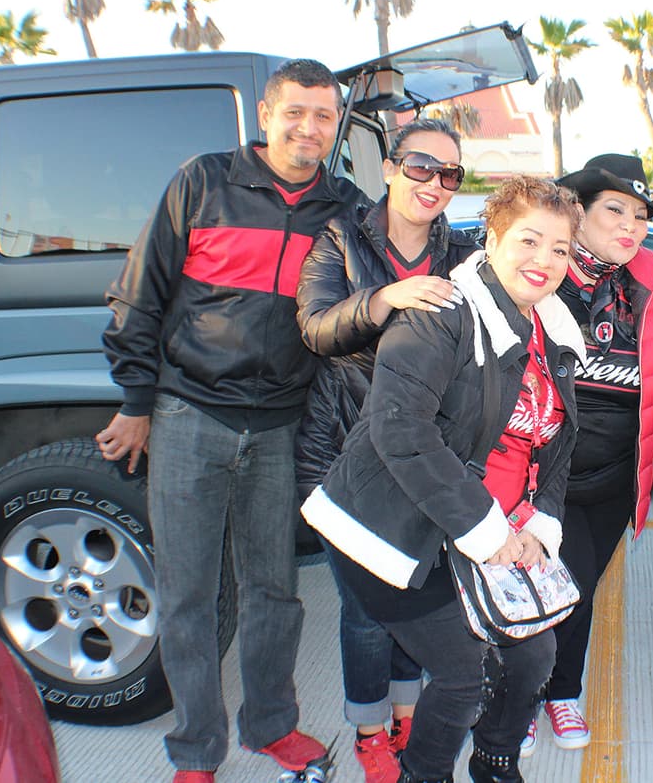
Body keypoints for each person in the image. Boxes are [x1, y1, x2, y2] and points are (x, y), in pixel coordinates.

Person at [96, 59, 365, 783]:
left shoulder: (344, 208)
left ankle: (270, 726)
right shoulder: (202, 182)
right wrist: (135, 401)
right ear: (265, 116)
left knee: (273, 589)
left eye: (323, 114)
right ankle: (196, 751)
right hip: (189, 413)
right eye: (296, 112)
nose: (309, 127)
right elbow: (139, 293)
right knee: (188, 593)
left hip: (283, 425)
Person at [300, 177, 585, 783]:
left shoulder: (553, 328)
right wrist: (486, 530)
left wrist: (539, 523)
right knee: (463, 673)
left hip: (478, 529)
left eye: (560, 248)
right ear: (494, 235)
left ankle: (494, 761)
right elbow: (400, 431)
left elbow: (557, 444)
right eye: (529, 240)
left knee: (535, 653)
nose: (544, 260)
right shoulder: (443, 313)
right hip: (390, 528)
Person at [294, 117, 478, 782]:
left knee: (416, 590)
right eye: (421, 166)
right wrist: (384, 298)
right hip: (346, 455)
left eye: (450, 173)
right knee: (368, 609)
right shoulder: (342, 238)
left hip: (424, 454)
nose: (434, 182)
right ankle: (371, 731)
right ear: (391, 169)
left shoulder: (463, 251)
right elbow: (315, 328)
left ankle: (405, 714)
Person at [516, 154, 653, 754]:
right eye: (615, 210)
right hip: (539, 475)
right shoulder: (536, 275)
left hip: (613, 478)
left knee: (578, 590)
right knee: (537, 589)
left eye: (639, 215)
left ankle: (561, 692)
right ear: (577, 212)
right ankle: (523, 698)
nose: (630, 226)